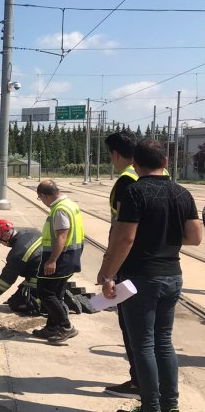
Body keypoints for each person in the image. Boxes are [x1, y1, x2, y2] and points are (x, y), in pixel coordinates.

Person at [97, 139, 202, 412]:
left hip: (141, 277)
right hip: (172, 276)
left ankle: (150, 407)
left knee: (142, 345)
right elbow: (195, 238)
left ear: (135, 164)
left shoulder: (134, 192)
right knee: (164, 343)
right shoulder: (182, 193)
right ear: (165, 163)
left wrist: (108, 275)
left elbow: (125, 240)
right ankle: (170, 406)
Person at [102, 130, 142, 399]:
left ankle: (139, 383)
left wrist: (109, 269)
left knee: (132, 328)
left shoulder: (126, 181)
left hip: (131, 263)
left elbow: (120, 229)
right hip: (155, 261)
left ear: (116, 154)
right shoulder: (150, 175)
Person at [34, 180, 84, 344]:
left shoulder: (60, 209)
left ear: (45, 195)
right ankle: (52, 327)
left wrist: (52, 261)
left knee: (45, 292)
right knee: (56, 294)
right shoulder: (70, 204)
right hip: (71, 256)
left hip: (60, 258)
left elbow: (62, 236)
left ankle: (66, 326)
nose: (42, 202)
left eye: (41, 198)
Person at [0, 219, 42, 310]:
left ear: (6, 236)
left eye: (0, 240)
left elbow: (6, 279)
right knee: (18, 294)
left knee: (15, 304)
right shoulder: (31, 233)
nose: (0, 243)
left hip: (42, 278)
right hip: (55, 270)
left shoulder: (17, 254)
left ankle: (44, 305)